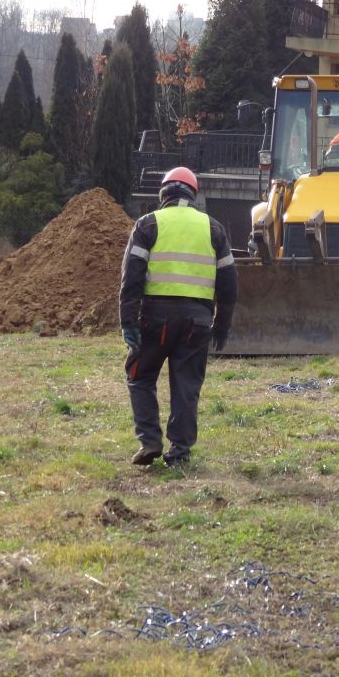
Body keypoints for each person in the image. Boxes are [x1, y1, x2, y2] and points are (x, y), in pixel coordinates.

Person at [120, 166, 238, 467]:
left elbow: (131, 279)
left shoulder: (147, 225)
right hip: (197, 321)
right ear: (193, 194)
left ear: (163, 194)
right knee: (186, 385)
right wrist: (222, 326)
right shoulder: (213, 228)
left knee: (139, 375)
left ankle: (150, 442)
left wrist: (128, 322)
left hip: (155, 319)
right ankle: (180, 453)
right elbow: (229, 283)